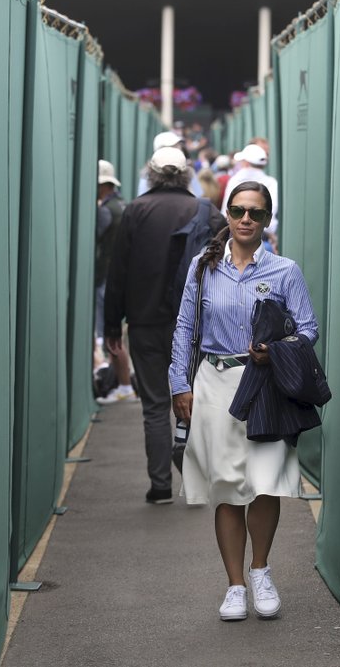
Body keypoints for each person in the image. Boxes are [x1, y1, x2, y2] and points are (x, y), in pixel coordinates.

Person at [169, 181, 318, 622]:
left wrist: (277, 349)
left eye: (254, 212)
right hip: (216, 383)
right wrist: (180, 383)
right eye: (237, 210)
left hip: (266, 385)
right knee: (229, 489)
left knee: (265, 480)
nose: (246, 218)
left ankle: (260, 570)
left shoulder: (285, 270)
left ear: (267, 220)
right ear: (227, 216)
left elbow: (308, 328)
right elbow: (184, 328)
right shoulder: (203, 266)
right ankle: (235, 585)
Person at [105, 146, 227, 504]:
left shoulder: (135, 211)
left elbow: (119, 270)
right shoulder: (206, 210)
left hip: (144, 322)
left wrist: (113, 324)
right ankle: (189, 459)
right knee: (195, 397)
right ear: (186, 174)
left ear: (151, 174)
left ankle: (160, 485)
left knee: (155, 403)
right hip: (194, 324)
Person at [94, 160, 135, 404]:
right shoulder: (124, 206)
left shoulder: (106, 210)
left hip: (107, 278)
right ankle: (122, 382)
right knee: (116, 333)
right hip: (122, 277)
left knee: (110, 334)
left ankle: (124, 385)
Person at [221, 143, 280, 237]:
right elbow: (273, 209)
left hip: (236, 231)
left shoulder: (234, 180)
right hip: (264, 233)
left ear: (246, 162)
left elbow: (225, 210)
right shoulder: (271, 182)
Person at [138, 130, 205, 198]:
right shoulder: (147, 174)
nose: (179, 149)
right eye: (174, 146)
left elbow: (198, 197)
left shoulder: (189, 171)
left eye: (178, 146)